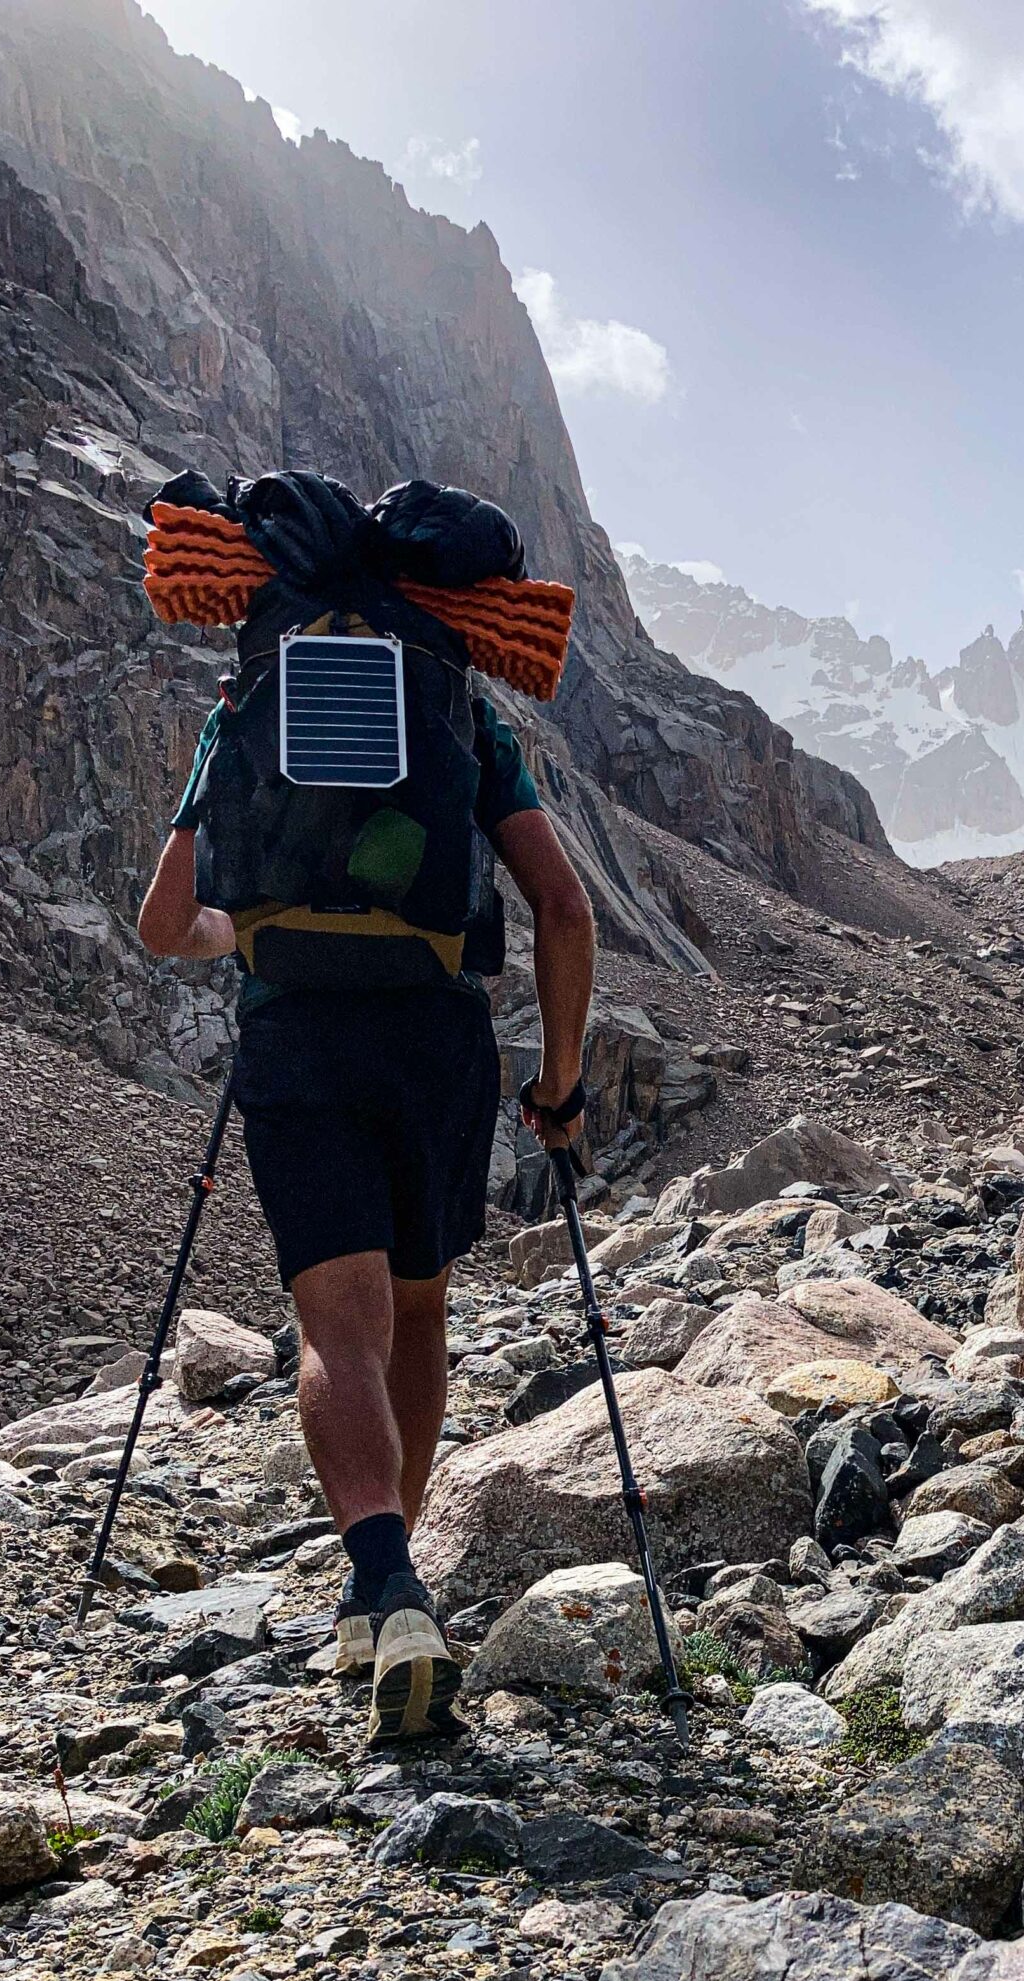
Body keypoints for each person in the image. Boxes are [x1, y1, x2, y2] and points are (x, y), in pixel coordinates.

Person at [138, 690, 595, 1743]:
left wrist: (250, 932)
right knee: (419, 1311)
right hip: (432, 1038)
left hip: (297, 1033)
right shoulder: (463, 715)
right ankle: (394, 1593)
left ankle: (385, 1583)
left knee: (337, 1324)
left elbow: (166, 922)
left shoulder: (246, 709)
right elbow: (565, 910)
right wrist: (560, 1088)